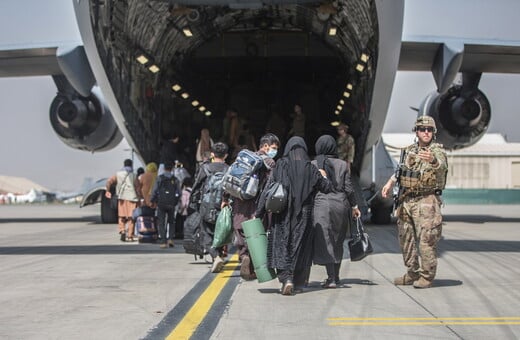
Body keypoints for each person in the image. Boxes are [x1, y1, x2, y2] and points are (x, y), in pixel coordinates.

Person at [256, 136, 332, 295]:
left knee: (281, 244)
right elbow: (326, 188)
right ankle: (296, 281)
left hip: (282, 212)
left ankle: (286, 278)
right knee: (299, 246)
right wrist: (323, 175)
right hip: (304, 215)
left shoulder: (281, 165)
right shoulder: (311, 168)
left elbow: (268, 190)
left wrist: (259, 213)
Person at [381, 116, 448, 289]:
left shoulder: (437, 151)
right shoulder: (411, 150)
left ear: (434, 133)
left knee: (426, 240)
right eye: (422, 129)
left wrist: (432, 160)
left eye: (429, 130)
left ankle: (426, 276)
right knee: (406, 238)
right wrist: (390, 183)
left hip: (427, 200)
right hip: (407, 200)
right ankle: (412, 273)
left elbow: (441, 166)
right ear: (416, 131)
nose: (426, 132)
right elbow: (401, 170)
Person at [311, 135, 361, 288]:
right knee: (338, 240)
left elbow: (310, 187)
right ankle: (336, 277)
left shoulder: (313, 164)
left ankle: (331, 278)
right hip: (341, 204)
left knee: (325, 240)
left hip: (321, 204)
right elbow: (348, 188)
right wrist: (354, 206)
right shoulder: (343, 164)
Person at [230, 133, 280, 281]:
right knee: (256, 233)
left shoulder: (244, 159)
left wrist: (226, 199)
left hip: (240, 202)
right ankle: (250, 262)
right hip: (257, 203)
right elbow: (270, 186)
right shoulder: (269, 163)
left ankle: (243, 255)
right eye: (273, 148)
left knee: (241, 229)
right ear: (264, 146)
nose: (274, 151)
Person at [190, 142, 230, 273]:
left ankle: (215, 256)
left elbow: (196, 187)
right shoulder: (229, 169)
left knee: (205, 233)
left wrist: (194, 203)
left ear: (212, 154)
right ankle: (218, 257)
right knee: (220, 232)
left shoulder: (205, 168)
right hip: (224, 205)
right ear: (226, 155)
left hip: (207, 205)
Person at [105, 159, 140, 242]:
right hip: (132, 198)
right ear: (131, 165)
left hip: (122, 198)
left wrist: (107, 190)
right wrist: (140, 197)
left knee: (121, 216)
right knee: (131, 218)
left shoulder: (118, 174)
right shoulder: (134, 175)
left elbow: (109, 181)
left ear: (124, 165)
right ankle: (130, 236)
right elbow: (138, 187)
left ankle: (122, 230)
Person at [150, 162, 179, 249]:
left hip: (161, 203)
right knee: (171, 222)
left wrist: (152, 200)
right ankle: (170, 239)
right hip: (171, 203)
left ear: (164, 169)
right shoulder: (175, 179)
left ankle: (163, 241)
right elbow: (179, 192)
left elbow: (154, 190)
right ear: (172, 169)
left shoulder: (159, 178)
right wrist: (175, 201)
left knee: (161, 222)